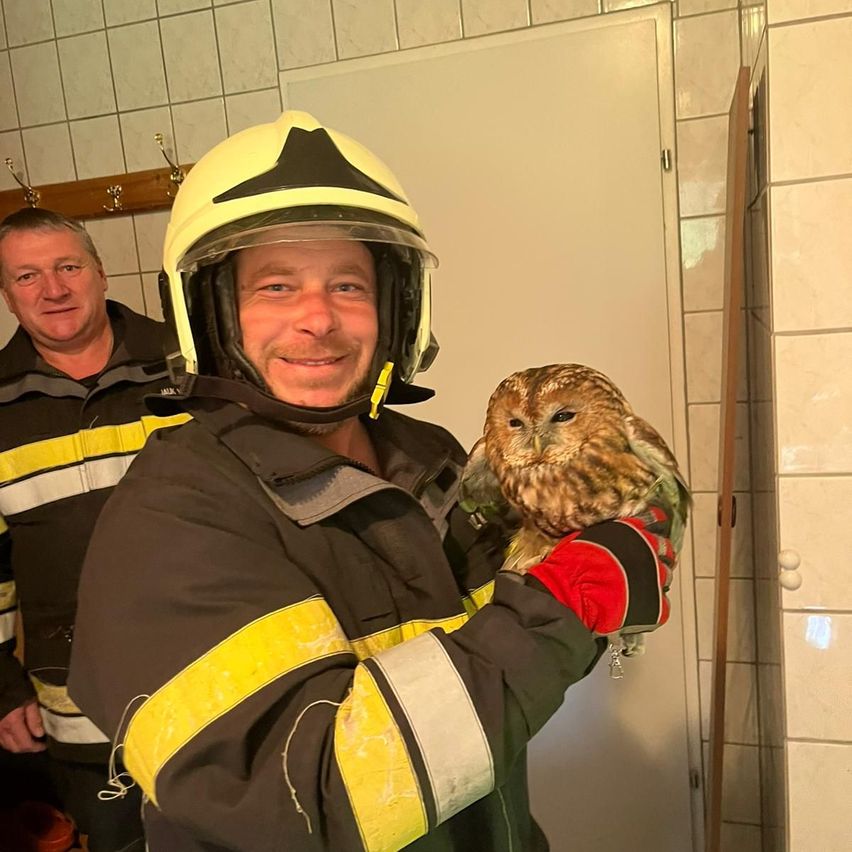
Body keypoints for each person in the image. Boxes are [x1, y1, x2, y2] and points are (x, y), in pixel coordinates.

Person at [68, 111, 674, 851]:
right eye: (277, 287)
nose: (319, 318)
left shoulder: (431, 459)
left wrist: (593, 553)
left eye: (348, 285)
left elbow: (489, 654)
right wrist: (568, 605)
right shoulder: (170, 522)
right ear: (206, 313)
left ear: (397, 309)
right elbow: (316, 799)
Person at [0, 207, 189, 851]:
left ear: (100, 273)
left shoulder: (187, 366)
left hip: (214, 677)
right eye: (27, 277)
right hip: (80, 709)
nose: (53, 290)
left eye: (67, 267)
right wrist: (1, 681)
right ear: (7, 295)